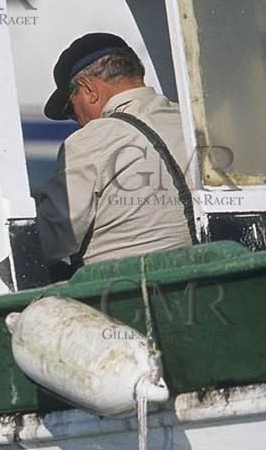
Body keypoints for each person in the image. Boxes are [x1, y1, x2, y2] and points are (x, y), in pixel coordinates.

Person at [35, 33, 196, 272]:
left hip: (121, 297)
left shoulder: (88, 142)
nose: (77, 121)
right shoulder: (194, 123)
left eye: (71, 109)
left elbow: (48, 242)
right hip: (204, 284)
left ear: (89, 88)